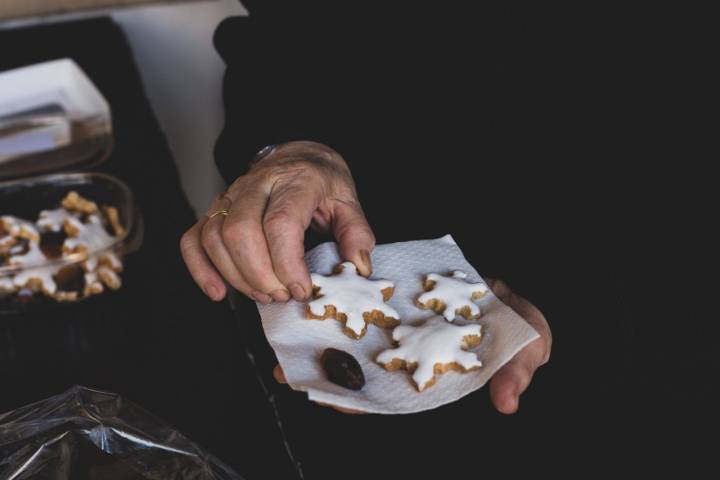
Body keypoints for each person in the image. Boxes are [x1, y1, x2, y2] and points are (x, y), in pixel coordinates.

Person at [179, 1, 665, 478]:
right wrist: (285, 146)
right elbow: (280, 31)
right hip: (330, 270)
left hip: (598, 329)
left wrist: (575, 298)